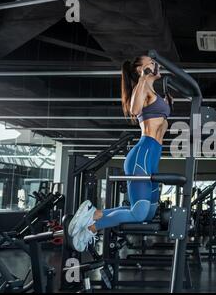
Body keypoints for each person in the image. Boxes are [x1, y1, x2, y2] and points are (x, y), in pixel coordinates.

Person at [68, 55, 173, 252]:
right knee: (139, 214)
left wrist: (167, 105)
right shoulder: (142, 88)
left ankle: (95, 214)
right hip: (141, 156)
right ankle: (92, 226)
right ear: (141, 69)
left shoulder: (153, 93)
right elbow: (134, 109)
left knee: (148, 213)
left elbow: (160, 121)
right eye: (151, 62)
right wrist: (143, 78)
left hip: (152, 157)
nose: (156, 64)